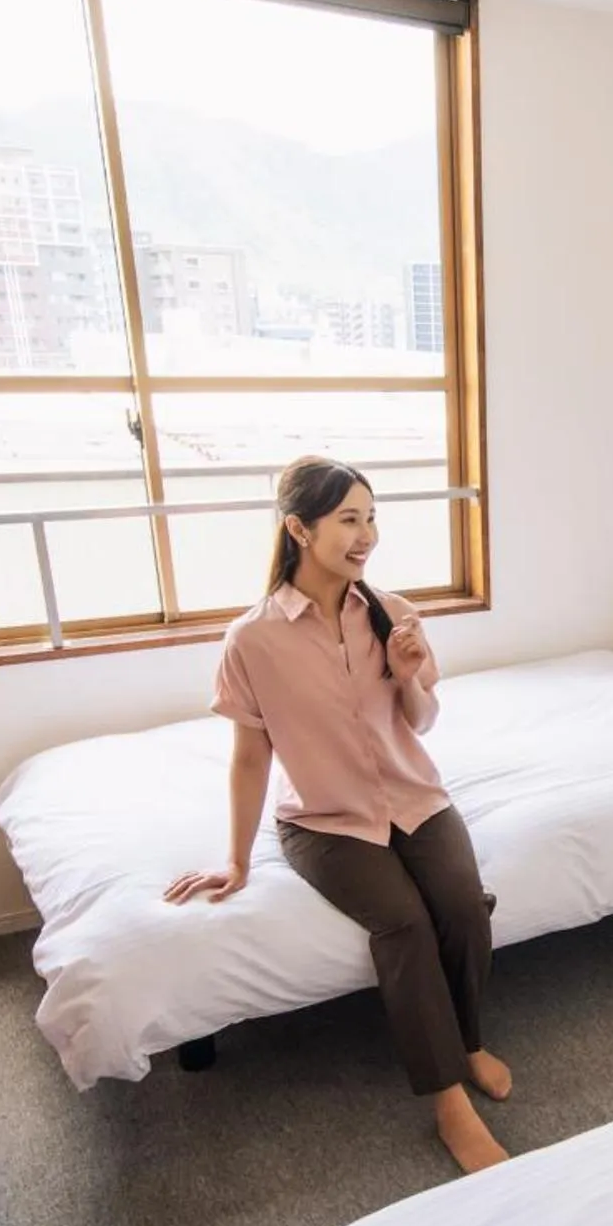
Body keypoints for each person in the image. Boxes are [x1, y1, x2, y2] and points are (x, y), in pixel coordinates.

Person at [165, 457, 512, 1174]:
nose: (367, 535)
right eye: (349, 519)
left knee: (463, 908)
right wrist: (235, 858)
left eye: (371, 517)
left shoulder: (394, 610)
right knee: (404, 922)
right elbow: (250, 756)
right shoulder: (252, 639)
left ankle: (469, 1041)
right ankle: (448, 1100)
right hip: (324, 819)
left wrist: (410, 670)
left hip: (414, 795)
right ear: (299, 528)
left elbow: (421, 722)